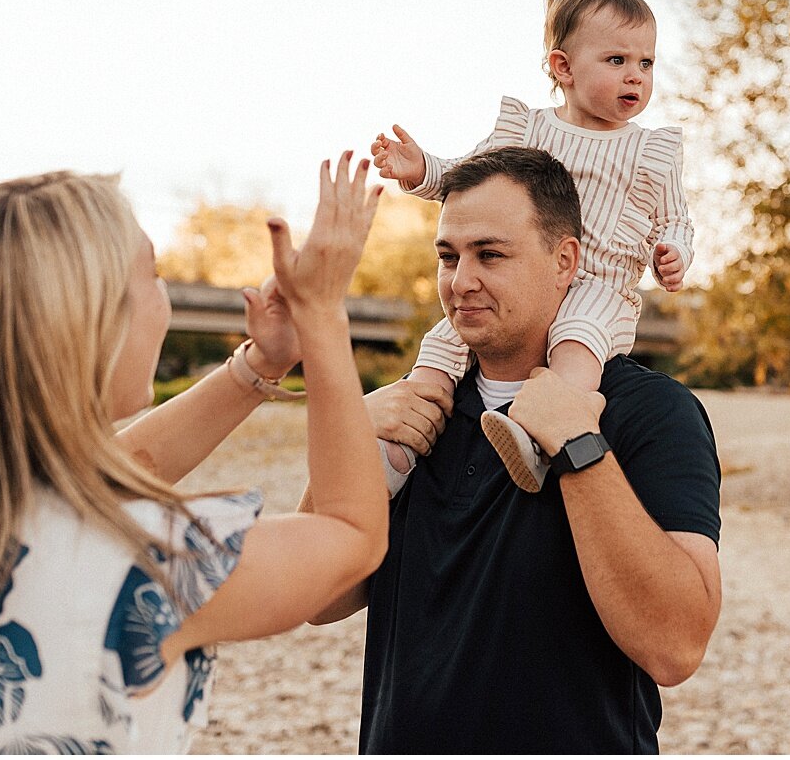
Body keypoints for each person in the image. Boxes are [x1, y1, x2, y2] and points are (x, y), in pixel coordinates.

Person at [0, 155, 388, 753]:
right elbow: (351, 536)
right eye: (151, 276)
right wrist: (323, 315)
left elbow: (100, 478)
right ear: (92, 326)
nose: (164, 299)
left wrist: (261, 365)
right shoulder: (144, 558)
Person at [308, 147, 721, 754]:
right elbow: (319, 596)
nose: (461, 280)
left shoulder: (651, 413)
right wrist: (350, 441)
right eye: (448, 256)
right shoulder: (418, 407)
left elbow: (676, 646)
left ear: (565, 260)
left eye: (490, 255)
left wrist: (579, 446)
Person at [370, 0, 694, 493]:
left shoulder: (649, 151)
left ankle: (543, 434)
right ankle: (400, 446)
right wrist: (421, 170)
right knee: (443, 344)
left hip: (598, 285)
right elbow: (468, 177)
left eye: (646, 62)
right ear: (563, 67)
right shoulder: (528, 129)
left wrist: (673, 252)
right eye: (617, 61)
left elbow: (675, 218)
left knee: (577, 343)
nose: (636, 76)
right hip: (520, 279)